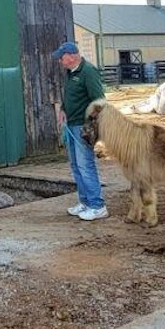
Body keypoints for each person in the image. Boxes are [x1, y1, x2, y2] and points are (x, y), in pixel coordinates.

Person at [53, 41, 108, 221]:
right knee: (76, 165)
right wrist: (63, 110)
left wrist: (91, 126)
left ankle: (97, 205)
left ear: (71, 55)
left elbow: (99, 101)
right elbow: (70, 95)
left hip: (82, 127)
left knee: (86, 165)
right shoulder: (71, 73)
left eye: (62, 58)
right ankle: (84, 202)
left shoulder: (88, 72)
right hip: (71, 124)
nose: (60, 61)